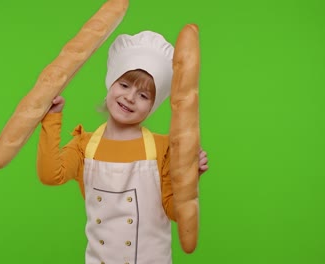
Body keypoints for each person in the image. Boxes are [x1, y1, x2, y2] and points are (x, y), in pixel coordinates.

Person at [37, 31, 209, 264]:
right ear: (111, 83)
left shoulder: (164, 149)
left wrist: (190, 177)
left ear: (152, 106)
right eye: (125, 85)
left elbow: (174, 212)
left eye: (143, 95)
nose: (130, 97)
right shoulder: (83, 145)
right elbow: (50, 175)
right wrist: (51, 118)